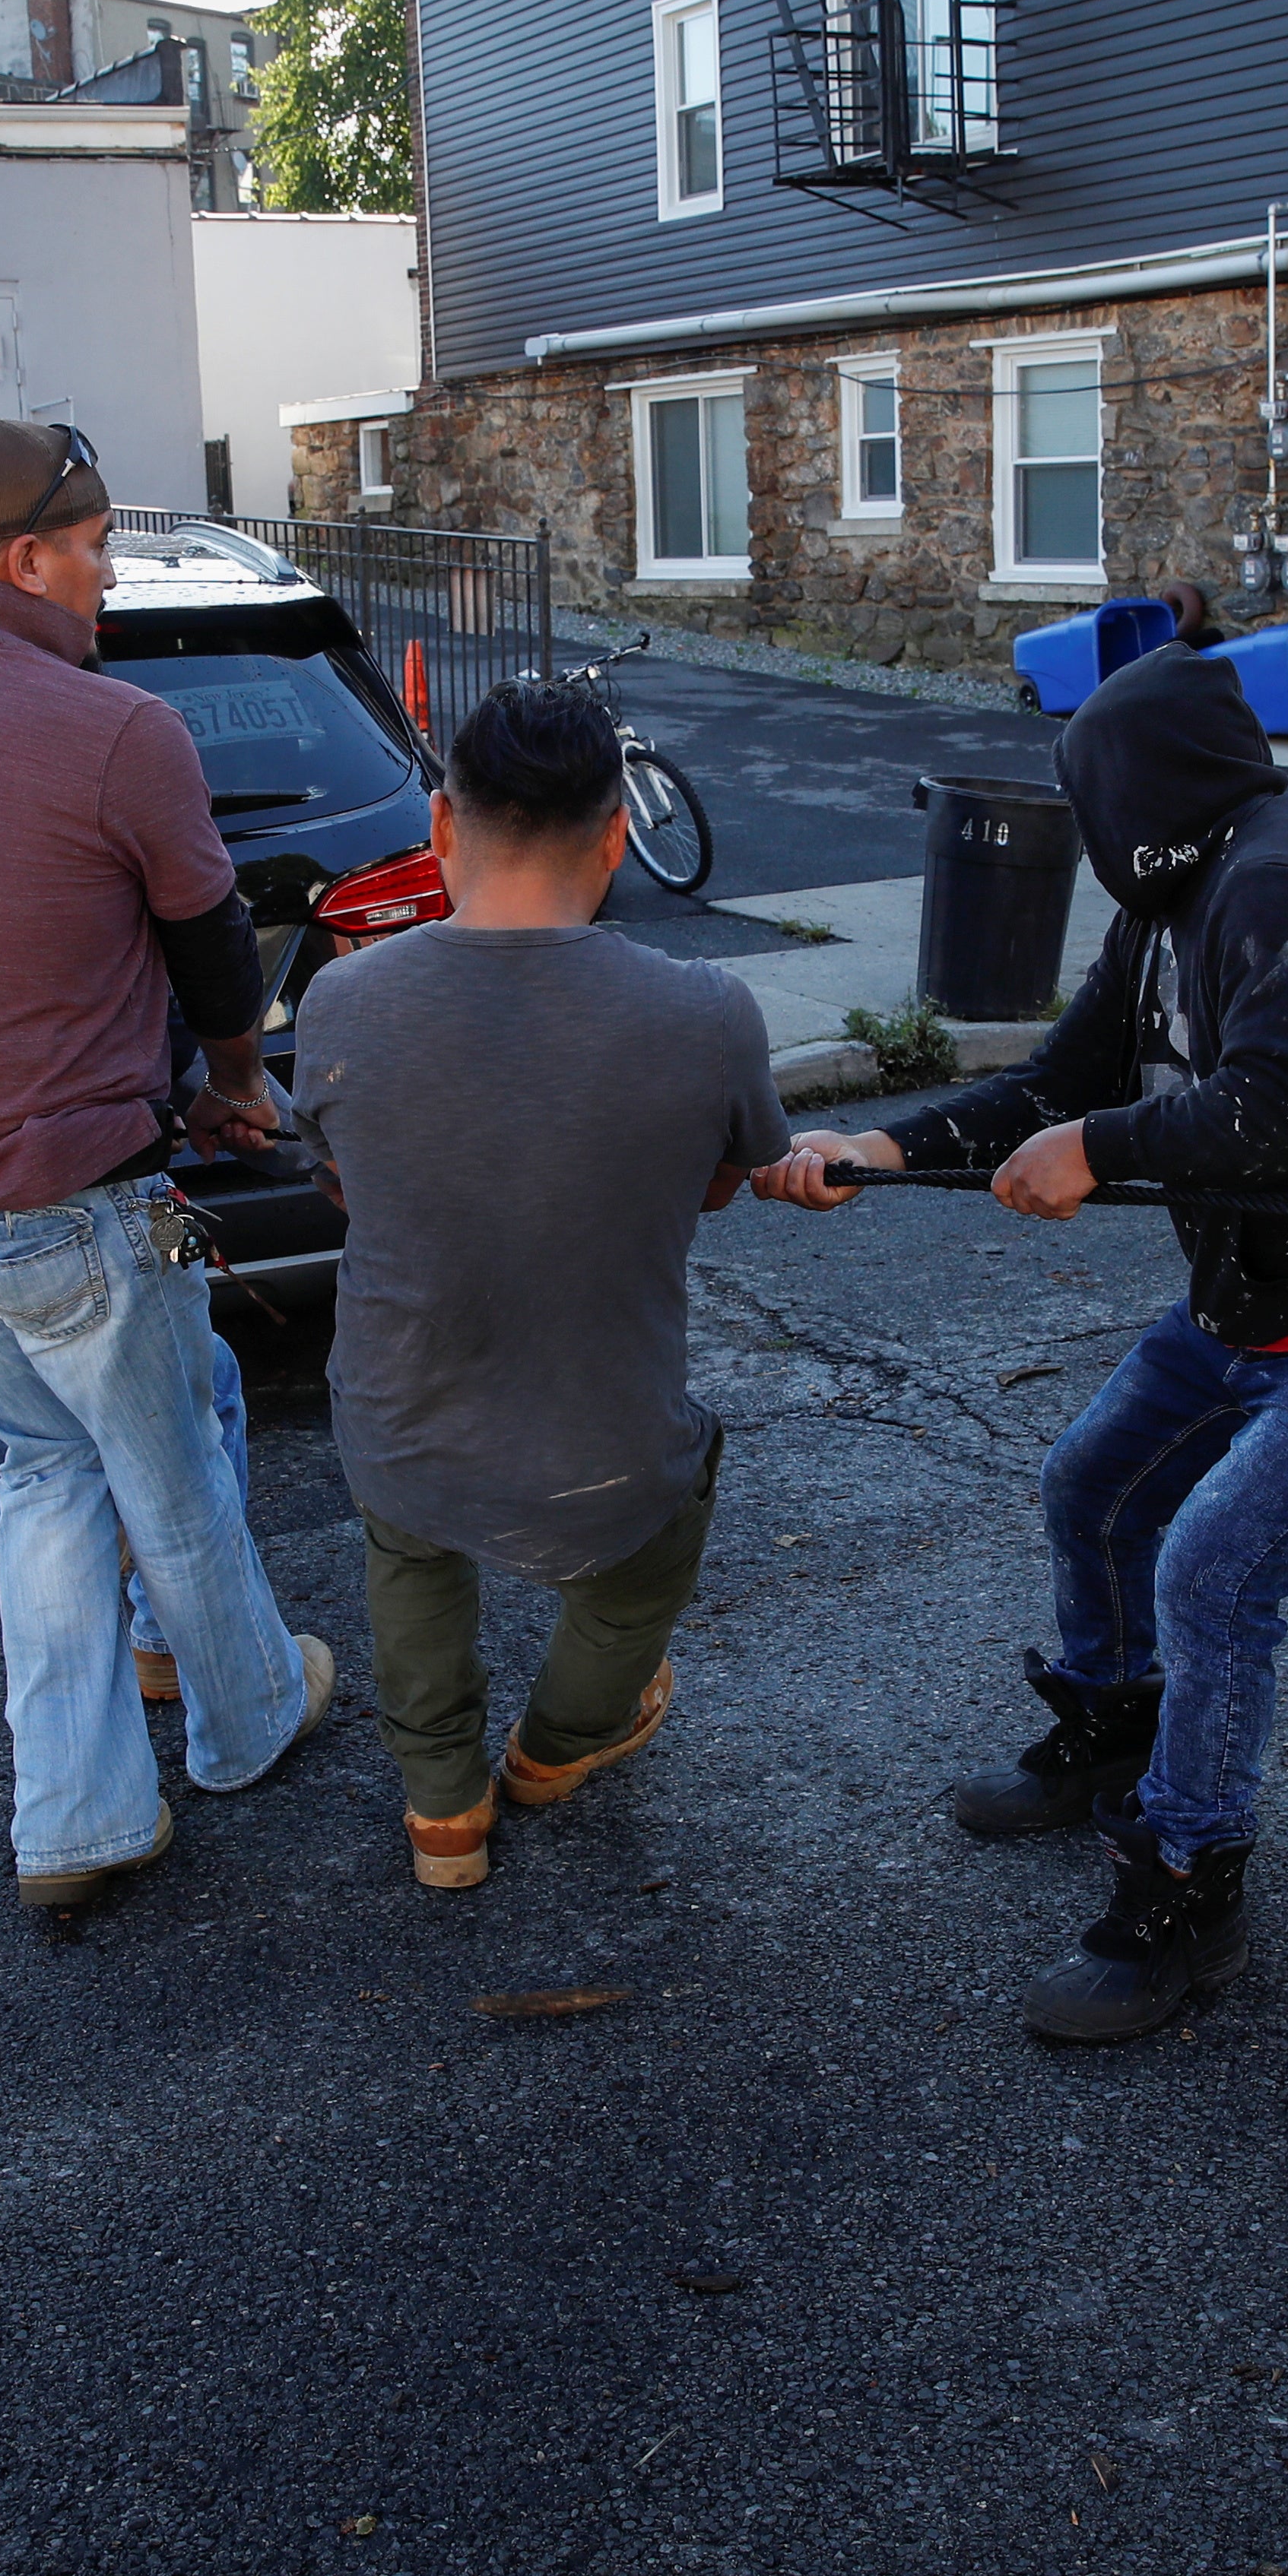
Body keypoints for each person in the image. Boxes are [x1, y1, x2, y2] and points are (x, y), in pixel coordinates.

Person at [753, 643, 1288, 2039]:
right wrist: (882, 1138)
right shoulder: (1173, 899)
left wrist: (1097, 1151)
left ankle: (1187, 1882)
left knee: (1214, 1569)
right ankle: (1114, 1729)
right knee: (1094, 1482)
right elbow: (1063, 1081)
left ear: (1132, 792)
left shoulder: (1279, 883)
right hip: (1256, 1297)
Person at [0, 417, 332, 1922]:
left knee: (41, 1476)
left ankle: (79, 1815)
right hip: (61, 1206)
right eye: (92, 549)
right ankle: (244, 1726)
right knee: (172, 1484)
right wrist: (233, 1085)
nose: (107, 578)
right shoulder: (116, 732)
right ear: (22, 559)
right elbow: (213, 943)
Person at [286, 680, 792, 1892]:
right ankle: (559, 1746)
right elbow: (721, 1184)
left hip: (406, 1415)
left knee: (412, 1565)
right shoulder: (708, 1013)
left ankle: (443, 1812)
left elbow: (346, 1185)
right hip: (604, 1435)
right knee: (643, 1560)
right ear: (617, 834)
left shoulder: (344, 998)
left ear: (442, 828)